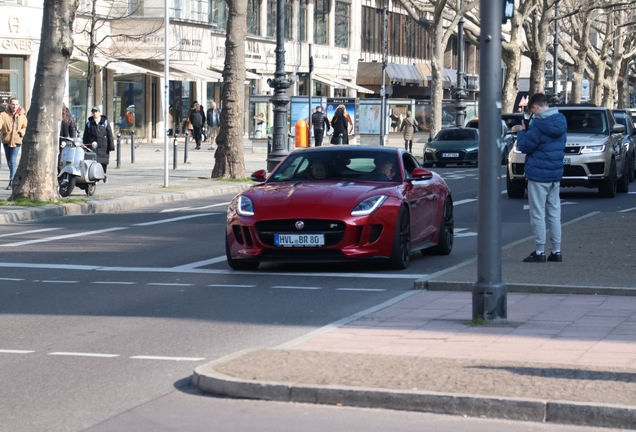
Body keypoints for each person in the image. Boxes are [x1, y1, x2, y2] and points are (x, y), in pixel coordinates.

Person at [515, 93, 567, 263]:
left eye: (532, 111)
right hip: (555, 173)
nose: (532, 114)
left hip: (538, 174)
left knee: (538, 213)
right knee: (554, 213)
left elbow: (525, 146)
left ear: (535, 107)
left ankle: (539, 251)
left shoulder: (537, 125)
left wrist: (522, 132)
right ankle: (557, 251)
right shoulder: (561, 121)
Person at [0, 97, 28, 190]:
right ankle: (16, 178)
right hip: (6, 141)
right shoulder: (3, 115)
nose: (14, 106)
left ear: (18, 105)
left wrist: (21, 132)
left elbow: (25, 127)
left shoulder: (22, 116)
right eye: (13, 104)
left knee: (12, 161)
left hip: (17, 141)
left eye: (16, 104)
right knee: (9, 162)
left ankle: (12, 181)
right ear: (9, 105)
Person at [82, 106, 114, 183]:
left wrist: (111, 146)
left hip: (103, 146)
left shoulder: (105, 122)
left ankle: (103, 174)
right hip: (92, 146)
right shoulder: (89, 124)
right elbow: (85, 136)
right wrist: (84, 146)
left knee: (103, 162)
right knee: (92, 161)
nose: (95, 113)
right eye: (93, 112)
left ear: (99, 113)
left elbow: (110, 134)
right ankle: (93, 176)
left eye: (96, 112)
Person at [58, 103, 76, 173]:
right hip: (57, 141)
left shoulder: (68, 116)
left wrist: (71, 141)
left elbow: (72, 130)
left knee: (64, 160)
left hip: (66, 141)